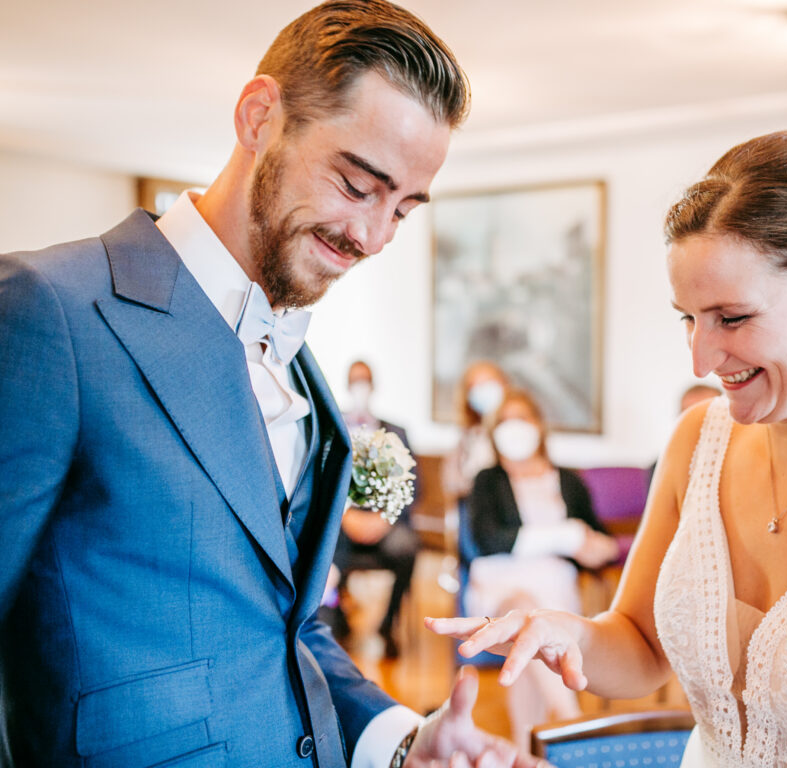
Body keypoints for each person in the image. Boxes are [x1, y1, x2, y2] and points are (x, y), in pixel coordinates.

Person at [0, 3, 546, 767]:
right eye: (357, 184)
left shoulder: (299, 368)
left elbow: (285, 626)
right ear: (260, 117)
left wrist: (400, 741)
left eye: (403, 209)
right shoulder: (49, 309)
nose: (373, 237)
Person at [428, 130, 787, 765]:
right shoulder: (698, 440)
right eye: (688, 319)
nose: (701, 359)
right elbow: (639, 644)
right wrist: (562, 631)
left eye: (731, 318)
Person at [463, 389, 618, 750]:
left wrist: (594, 546)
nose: (515, 428)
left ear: (539, 425)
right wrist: (567, 536)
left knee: (528, 640)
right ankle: (572, 721)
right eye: (505, 421)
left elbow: (598, 539)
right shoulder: (487, 480)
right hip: (500, 587)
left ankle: (524, 750)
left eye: (522, 418)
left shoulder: (568, 481)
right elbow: (487, 541)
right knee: (526, 616)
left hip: (556, 590)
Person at [328, 360, 421, 658]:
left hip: (385, 522)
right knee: (323, 547)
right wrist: (345, 516)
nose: (360, 386)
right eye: (355, 380)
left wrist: (385, 518)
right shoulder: (332, 427)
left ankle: (388, 623)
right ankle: (335, 616)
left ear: (373, 385)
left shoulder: (396, 433)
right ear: (347, 385)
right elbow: (321, 479)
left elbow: (412, 486)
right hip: (341, 525)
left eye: (365, 380)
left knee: (406, 548)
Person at [441, 360, 509, 500]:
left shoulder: (515, 433)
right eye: (475, 386)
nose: (483, 391)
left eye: (488, 383)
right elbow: (452, 483)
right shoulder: (468, 437)